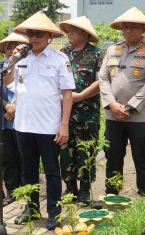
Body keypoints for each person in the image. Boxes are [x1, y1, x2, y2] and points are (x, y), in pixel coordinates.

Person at [11, 11, 75, 230]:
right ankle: (31, 208)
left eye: (38, 33)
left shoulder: (60, 59)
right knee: (27, 171)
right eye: (30, 33)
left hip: (48, 127)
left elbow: (67, 93)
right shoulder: (21, 58)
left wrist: (64, 124)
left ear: (49, 36)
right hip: (23, 125)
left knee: (52, 172)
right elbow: (9, 82)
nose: (33, 38)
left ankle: (54, 213)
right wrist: (12, 60)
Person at [99, 7, 145, 196]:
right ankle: (112, 196)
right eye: (125, 27)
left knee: (141, 158)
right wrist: (112, 104)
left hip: (139, 116)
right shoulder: (112, 50)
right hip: (113, 116)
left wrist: (129, 107)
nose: (128, 30)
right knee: (112, 157)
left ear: (143, 29)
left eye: (133, 27)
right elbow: (103, 78)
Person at [58, 16, 103, 204]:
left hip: (87, 114)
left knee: (86, 150)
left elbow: (101, 81)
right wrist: (63, 98)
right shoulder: (61, 54)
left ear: (85, 34)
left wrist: (80, 96)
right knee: (65, 150)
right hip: (64, 114)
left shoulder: (96, 54)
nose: (70, 33)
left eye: (74, 30)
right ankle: (70, 189)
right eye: (69, 30)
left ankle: (84, 189)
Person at [0, 32, 29, 203]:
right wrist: (7, 106)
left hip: (24, 119)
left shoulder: (29, 65)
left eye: (16, 45)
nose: (12, 50)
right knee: (8, 157)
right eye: (8, 47)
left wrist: (16, 108)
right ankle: (12, 191)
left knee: (25, 156)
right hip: (3, 121)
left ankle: (27, 190)